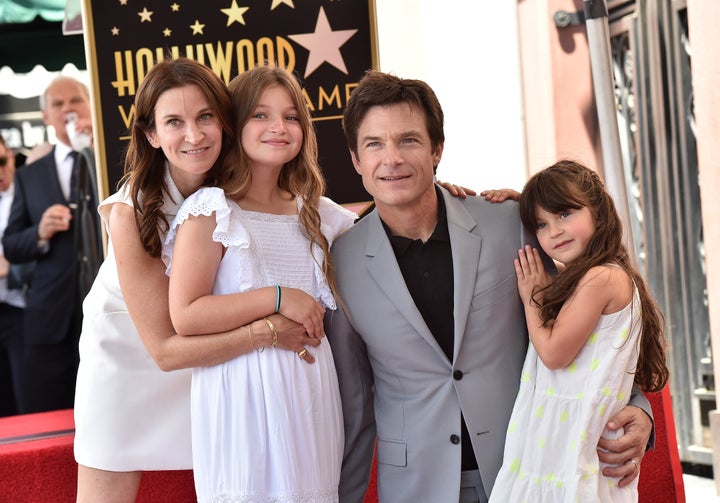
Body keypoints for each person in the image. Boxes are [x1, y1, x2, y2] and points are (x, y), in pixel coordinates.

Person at [326, 70, 655, 503]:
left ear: (436, 149)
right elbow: (353, 402)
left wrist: (640, 411)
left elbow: (587, 328)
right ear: (355, 160)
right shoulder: (340, 262)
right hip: (416, 485)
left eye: (408, 140)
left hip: (527, 467)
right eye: (374, 144)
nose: (392, 159)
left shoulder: (509, 224)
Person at [73, 58, 319, 503]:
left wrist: (433, 194)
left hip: (212, 362)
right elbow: (166, 351)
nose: (195, 135)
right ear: (151, 134)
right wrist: (267, 329)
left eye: (206, 116)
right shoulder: (130, 209)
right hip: (129, 360)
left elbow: (319, 215)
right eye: (174, 122)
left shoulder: (235, 185)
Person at [163, 64, 355, 503]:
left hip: (310, 397)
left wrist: (451, 194)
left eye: (291, 117)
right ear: (236, 125)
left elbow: (391, 229)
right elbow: (186, 315)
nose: (279, 127)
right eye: (262, 115)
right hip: (240, 397)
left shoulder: (319, 212)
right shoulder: (211, 209)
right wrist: (278, 297)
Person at [489, 160, 669, 502]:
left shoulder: (602, 278)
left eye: (565, 214)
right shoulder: (590, 275)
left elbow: (554, 353)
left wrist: (531, 298)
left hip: (572, 448)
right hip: (561, 442)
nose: (554, 231)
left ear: (599, 214)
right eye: (541, 224)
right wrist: (517, 208)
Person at [1, 76, 101, 413]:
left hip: (105, 310)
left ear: (91, 105)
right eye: (58, 104)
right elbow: (12, 245)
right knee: (47, 416)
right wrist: (39, 233)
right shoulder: (30, 174)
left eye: (76, 100)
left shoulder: (108, 161)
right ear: (45, 116)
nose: (68, 109)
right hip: (49, 321)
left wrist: (90, 148)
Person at [0, 136, 27, 416]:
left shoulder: (29, 190)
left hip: (21, 309)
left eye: (2, 161)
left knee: (26, 401)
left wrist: (10, 264)